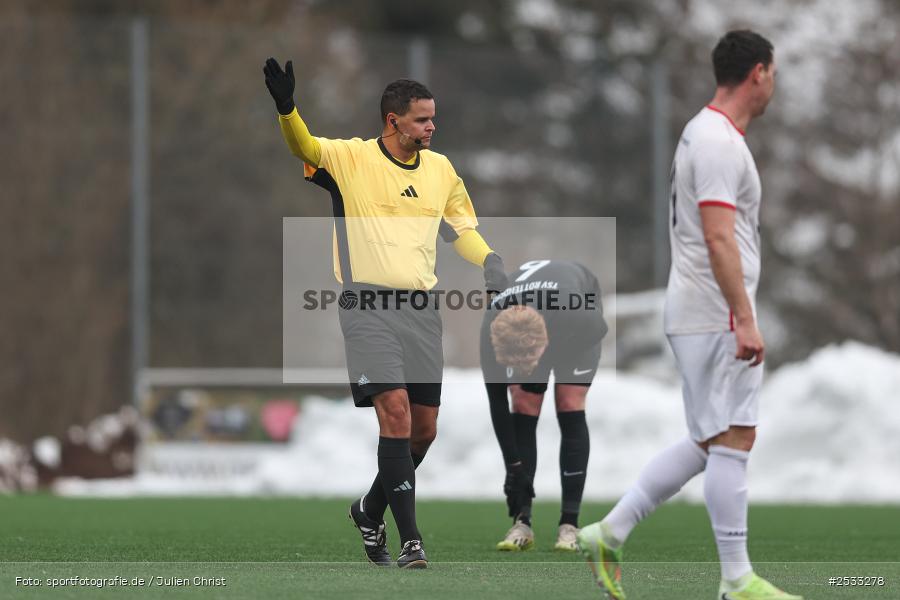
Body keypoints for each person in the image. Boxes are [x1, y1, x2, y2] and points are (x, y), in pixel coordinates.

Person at [577, 31, 801, 600]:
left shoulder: (702, 133)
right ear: (758, 73)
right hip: (714, 312)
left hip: (698, 308)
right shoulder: (719, 142)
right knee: (733, 437)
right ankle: (737, 581)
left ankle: (612, 530)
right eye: (773, 72)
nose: (774, 82)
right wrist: (745, 317)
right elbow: (718, 236)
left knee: (710, 439)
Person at [263, 58, 509, 569]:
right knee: (393, 411)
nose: (431, 127)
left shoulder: (441, 170)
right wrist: (287, 107)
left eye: (432, 118)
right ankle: (412, 540)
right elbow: (304, 147)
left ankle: (369, 509)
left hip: (420, 310)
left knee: (424, 430)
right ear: (393, 120)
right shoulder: (351, 159)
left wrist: (489, 259)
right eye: (422, 119)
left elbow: (460, 229)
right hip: (365, 305)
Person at [481, 260, 607, 552]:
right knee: (523, 401)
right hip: (543, 313)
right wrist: (513, 467)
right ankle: (522, 521)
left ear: (544, 341)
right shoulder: (491, 327)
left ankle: (569, 525)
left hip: (576, 321)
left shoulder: (578, 315)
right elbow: (497, 403)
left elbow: (599, 329)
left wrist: (549, 360)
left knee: (569, 400)